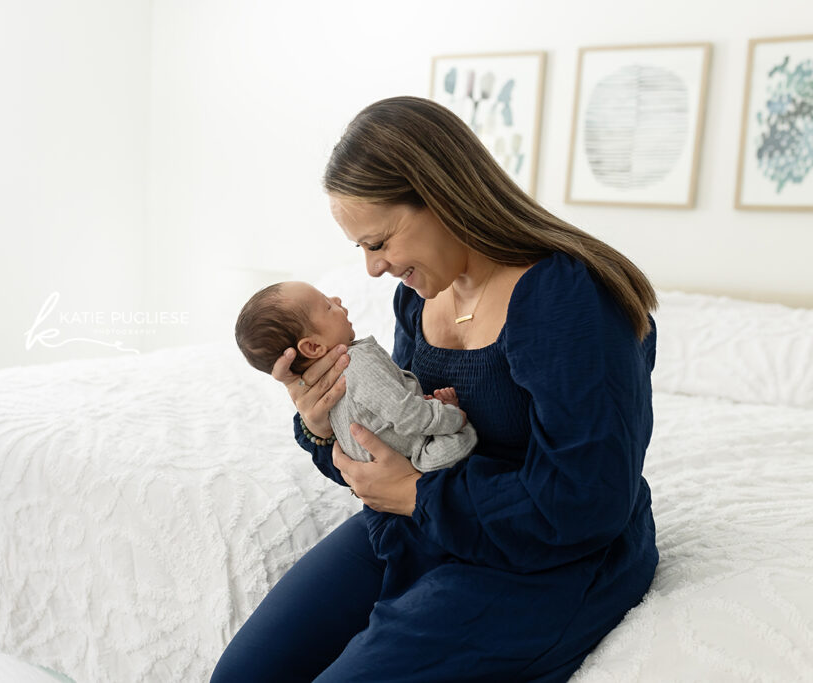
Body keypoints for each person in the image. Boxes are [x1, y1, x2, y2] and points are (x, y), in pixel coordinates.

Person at [210, 95, 659, 683]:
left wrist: (419, 496)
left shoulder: (567, 299)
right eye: (361, 249)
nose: (372, 269)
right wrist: (325, 430)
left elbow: (587, 500)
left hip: (551, 554)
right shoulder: (418, 298)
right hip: (420, 521)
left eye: (379, 242)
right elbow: (404, 441)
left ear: (443, 198)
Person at [234, 280, 478, 473]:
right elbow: (404, 413)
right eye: (327, 305)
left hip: (390, 470)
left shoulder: (331, 382)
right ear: (313, 347)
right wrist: (452, 417)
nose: (336, 299)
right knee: (462, 440)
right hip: (418, 456)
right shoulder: (357, 363)